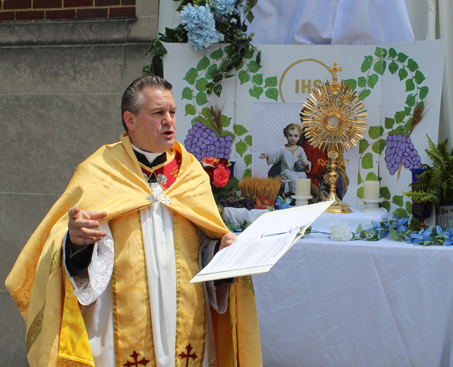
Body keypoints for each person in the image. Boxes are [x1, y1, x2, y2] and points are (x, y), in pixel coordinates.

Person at [5, 76, 262, 367]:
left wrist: (220, 251)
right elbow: (63, 250)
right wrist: (76, 243)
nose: (169, 121)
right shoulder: (99, 170)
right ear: (130, 119)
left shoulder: (190, 173)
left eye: (172, 113)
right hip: (118, 327)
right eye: (158, 113)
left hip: (187, 323)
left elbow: (204, 243)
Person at [259, 123, 311, 194]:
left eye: (295, 136)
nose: (293, 138)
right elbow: (275, 156)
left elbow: (305, 159)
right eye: (290, 135)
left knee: (303, 176)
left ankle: (303, 195)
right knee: (294, 179)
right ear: (286, 136)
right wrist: (268, 155)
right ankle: (295, 194)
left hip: (298, 170)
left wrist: (307, 163)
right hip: (287, 171)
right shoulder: (283, 149)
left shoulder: (300, 149)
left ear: (299, 137)